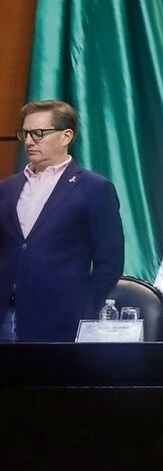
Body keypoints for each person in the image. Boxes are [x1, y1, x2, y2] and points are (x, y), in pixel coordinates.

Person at [0, 100, 124, 342]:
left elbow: (110, 262)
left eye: (38, 133)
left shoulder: (94, 189)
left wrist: (82, 309)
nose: (28, 141)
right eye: (24, 133)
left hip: (60, 323)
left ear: (66, 136)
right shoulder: (7, 188)